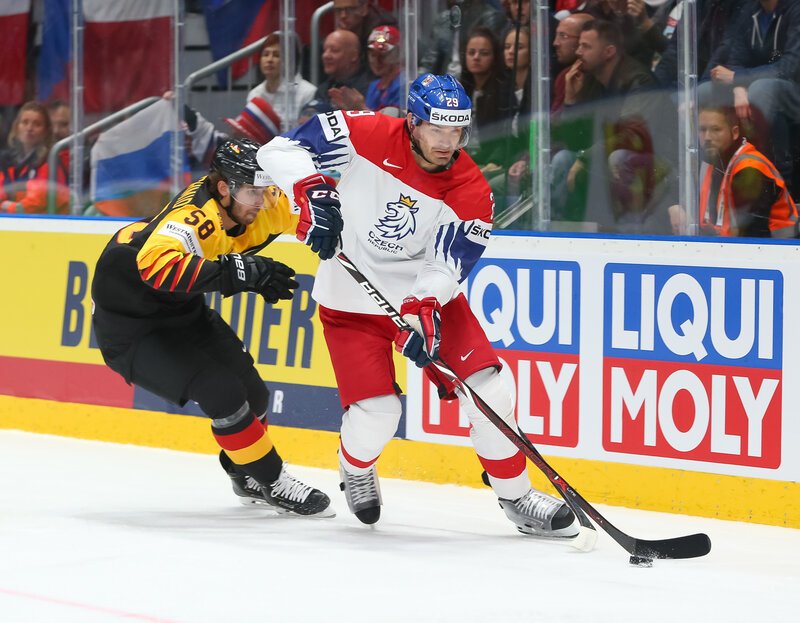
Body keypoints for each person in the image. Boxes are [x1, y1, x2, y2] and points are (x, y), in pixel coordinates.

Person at [257, 73, 580, 539]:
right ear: (412, 121)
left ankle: (514, 495)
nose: (449, 142)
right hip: (351, 300)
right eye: (437, 129)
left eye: (457, 131)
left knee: (491, 388)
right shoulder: (363, 133)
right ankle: (356, 466)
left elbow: (445, 265)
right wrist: (313, 191)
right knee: (378, 413)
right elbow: (278, 151)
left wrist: (422, 307)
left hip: (426, 296)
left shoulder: (470, 187)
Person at [91, 138, 344, 516]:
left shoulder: (258, 202)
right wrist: (237, 271)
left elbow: (317, 212)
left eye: (262, 189)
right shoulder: (195, 218)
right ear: (223, 188)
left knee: (253, 393)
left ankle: (245, 474)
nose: (259, 202)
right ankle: (273, 480)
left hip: (181, 309)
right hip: (131, 328)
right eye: (249, 192)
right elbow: (155, 267)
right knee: (222, 393)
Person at [668, 105, 798, 237]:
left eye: (716, 130)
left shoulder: (751, 168)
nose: (707, 137)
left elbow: (753, 233)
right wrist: (674, 206)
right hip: (729, 245)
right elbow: (670, 180)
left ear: (735, 132)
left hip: (776, 249)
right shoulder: (712, 158)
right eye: (702, 130)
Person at [0, 101, 69, 214]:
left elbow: (37, 202)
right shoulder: (6, 160)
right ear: (17, 126)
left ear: (46, 131)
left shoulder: (49, 161)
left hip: (47, 225)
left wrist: (9, 207)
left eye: (37, 124)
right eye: (25, 122)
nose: (29, 128)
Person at [246, 33, 317, 132]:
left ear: (289, 61)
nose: (269, 60)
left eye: (276, 55)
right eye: (265, 54)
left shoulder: (308, 92)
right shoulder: (254, 94)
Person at [328, 25, 403, 114]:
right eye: (373, 55)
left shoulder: (405, 84)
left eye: (383, 55)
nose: (376, 61)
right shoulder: (374, 86)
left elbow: (398, 122)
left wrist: (362, 108)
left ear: (398, 54)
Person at [315, 30, 374, 109]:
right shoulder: (323, 89)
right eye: (324, 50)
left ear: (354, 55)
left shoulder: (371, 88)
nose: (326, 55)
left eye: (334, 50)